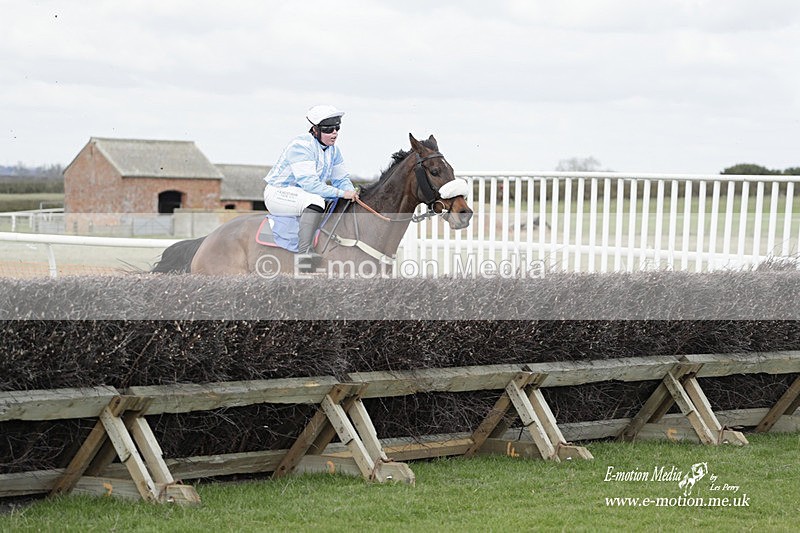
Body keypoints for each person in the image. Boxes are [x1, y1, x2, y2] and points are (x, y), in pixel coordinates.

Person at [263, 105, 358, 268]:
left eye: (337, 128)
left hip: (302, 194)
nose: (334, 132)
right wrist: (342, 193)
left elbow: (341, 179)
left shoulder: (334, 151)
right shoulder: (301, 146)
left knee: (336, 201)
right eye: (329, 129)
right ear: (315, 130)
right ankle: (304, 256)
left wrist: (351, 192)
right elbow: (310, 185)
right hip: (279, 193)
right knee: (317, 201)